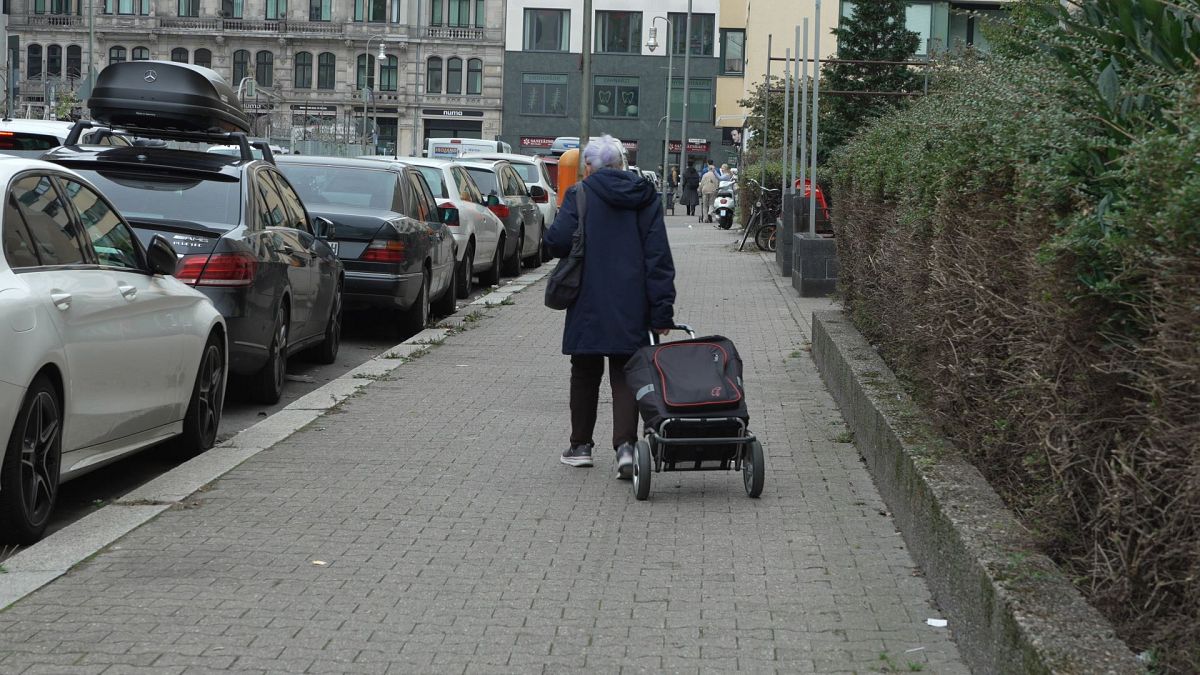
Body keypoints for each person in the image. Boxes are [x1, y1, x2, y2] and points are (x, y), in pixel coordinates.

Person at [544, 135, 677, 478]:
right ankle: (626, 449)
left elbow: (556, 243)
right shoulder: (645, 197)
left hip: (588, 299)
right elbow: (658, 256)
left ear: (589, 166)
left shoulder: (580, 194)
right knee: (626, 373)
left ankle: (580, 447)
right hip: (634, 303)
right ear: (621, 164)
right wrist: (662, 310)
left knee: (585, 372)